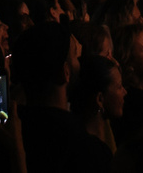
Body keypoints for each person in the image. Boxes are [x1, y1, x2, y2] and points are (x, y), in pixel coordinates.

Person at [18, 19, 113, 173]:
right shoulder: (84, 147)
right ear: (65, 73)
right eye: (75, 56)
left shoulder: (11, 131)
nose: (80, 62)